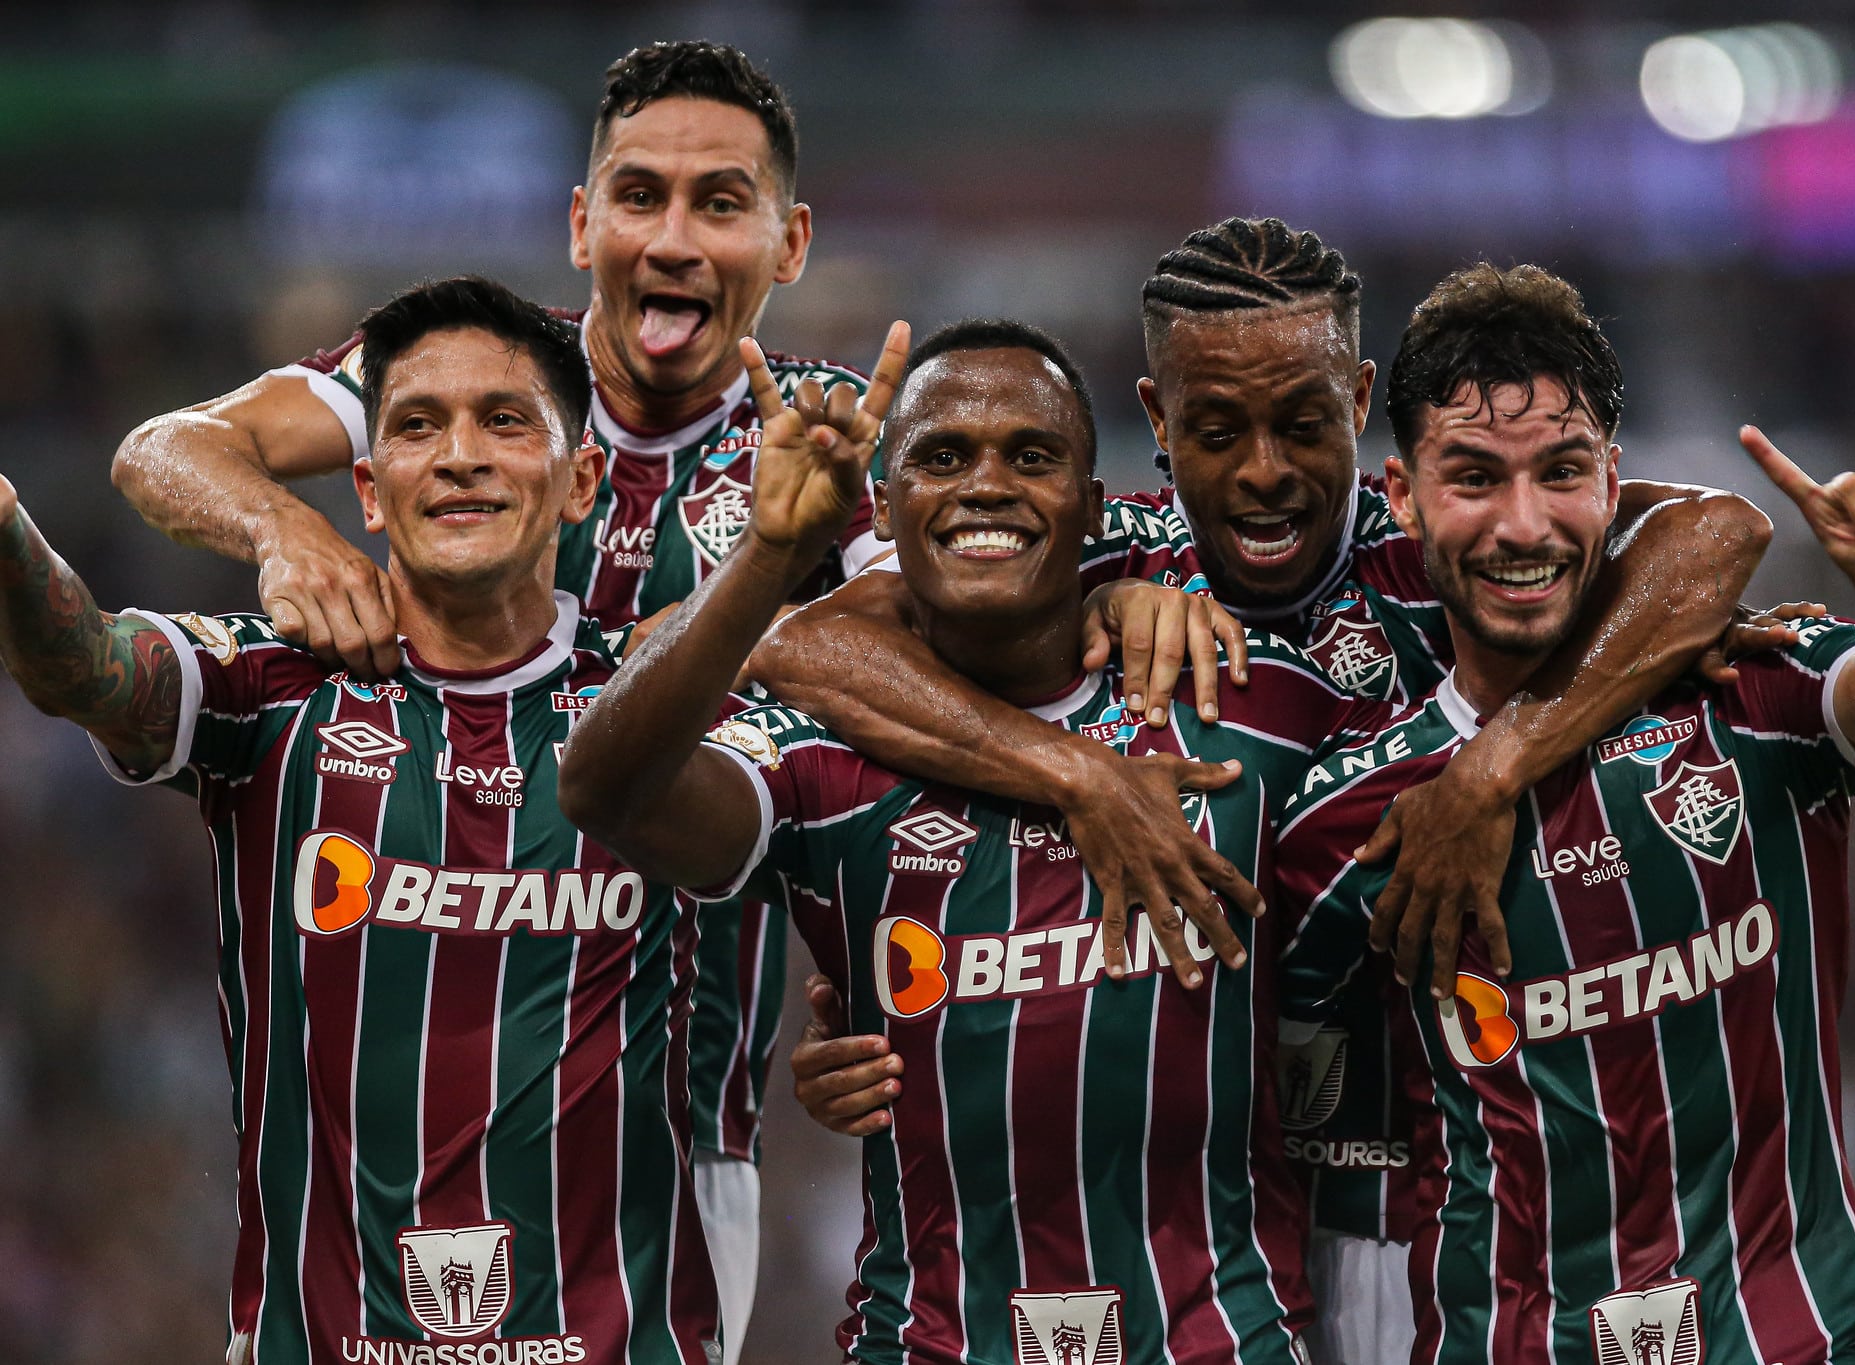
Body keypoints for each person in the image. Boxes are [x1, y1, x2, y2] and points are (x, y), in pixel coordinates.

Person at [762, 222, 1781, 1364]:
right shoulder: (1101, 562)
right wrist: (1082, 776)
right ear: (1154, 421)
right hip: (1235, 1252)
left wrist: (1492, 768)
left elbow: (1715, 532)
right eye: (1213, 429)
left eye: (1301, 422)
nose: (1261, 469)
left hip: (1468, 1226)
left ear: (1356, 403)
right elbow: (811, 652)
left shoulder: (1447, 544)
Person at [108, 43, 890, 1357]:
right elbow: (165, 444)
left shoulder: (813, 455)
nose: (675, 239)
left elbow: (939, 673)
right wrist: (276, 533)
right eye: (638, 196)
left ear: (789, 239)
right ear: (581, 223)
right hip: (380, 1121)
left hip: (670, 1143)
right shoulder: (480, 386)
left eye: (720, 202)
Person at [559, 318, 1353, 1365]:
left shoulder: (1251, 710)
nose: (985, 485)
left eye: (1031, 456)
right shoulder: (819, 757)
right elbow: (604, 788)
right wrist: (768, 553)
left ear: (1092, 503)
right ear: (884, 512)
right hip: (928, 1342)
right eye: (941, 457)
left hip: (1222, 1341)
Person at [1274, 263, 1855, 1364]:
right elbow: (1192, 1060)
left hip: (1784, 1342)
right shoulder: (1355, 815)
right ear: (1400, 494)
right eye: (1474, 477)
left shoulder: (1752, 691)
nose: (1522, 526)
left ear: (1614, 481)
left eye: (1559, 473)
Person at [1, 277, 744, 1362]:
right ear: (367, 485)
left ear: (583, 478)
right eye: (416, 425)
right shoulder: (272, 690)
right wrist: (8, 528)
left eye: (503, 421)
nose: (458, 455)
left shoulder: (665, 715)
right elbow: (92, 669)